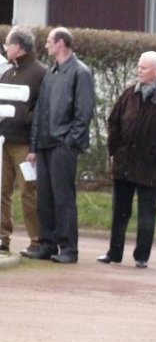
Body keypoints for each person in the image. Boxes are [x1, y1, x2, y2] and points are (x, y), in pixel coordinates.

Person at [97, 51, 156, 268]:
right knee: (120, 212)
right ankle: (113, 253)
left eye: (143, 67)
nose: (139, 70)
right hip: (125, 164)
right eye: (139, 66)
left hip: (151, 167)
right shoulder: (128, 94)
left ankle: (141, 256)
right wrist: (116, 150)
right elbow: (113, 121)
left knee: (147, 214)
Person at [26, 27, 95, 263]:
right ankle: (47, 244)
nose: (46, 45)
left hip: (62, 144)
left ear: (61, 43)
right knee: (44, 197)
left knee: (63, 197)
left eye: (49, 41)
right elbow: (40, 112)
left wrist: (69, 141)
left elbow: (84, 112)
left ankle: (69, 248)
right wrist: (33, 147)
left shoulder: (80, 72)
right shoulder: (51, 72)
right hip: (45, 144)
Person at [0, 26, 46, 255]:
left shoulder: (40, 73)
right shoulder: (8, 73)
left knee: (28, 191)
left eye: (8, 44)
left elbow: (41, 111)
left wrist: (35, 145)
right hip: (4, 140)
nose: (5, 48)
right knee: (2, 190)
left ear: (18, 47)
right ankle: (2, 237)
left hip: (25, 144)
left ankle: (36, 239)